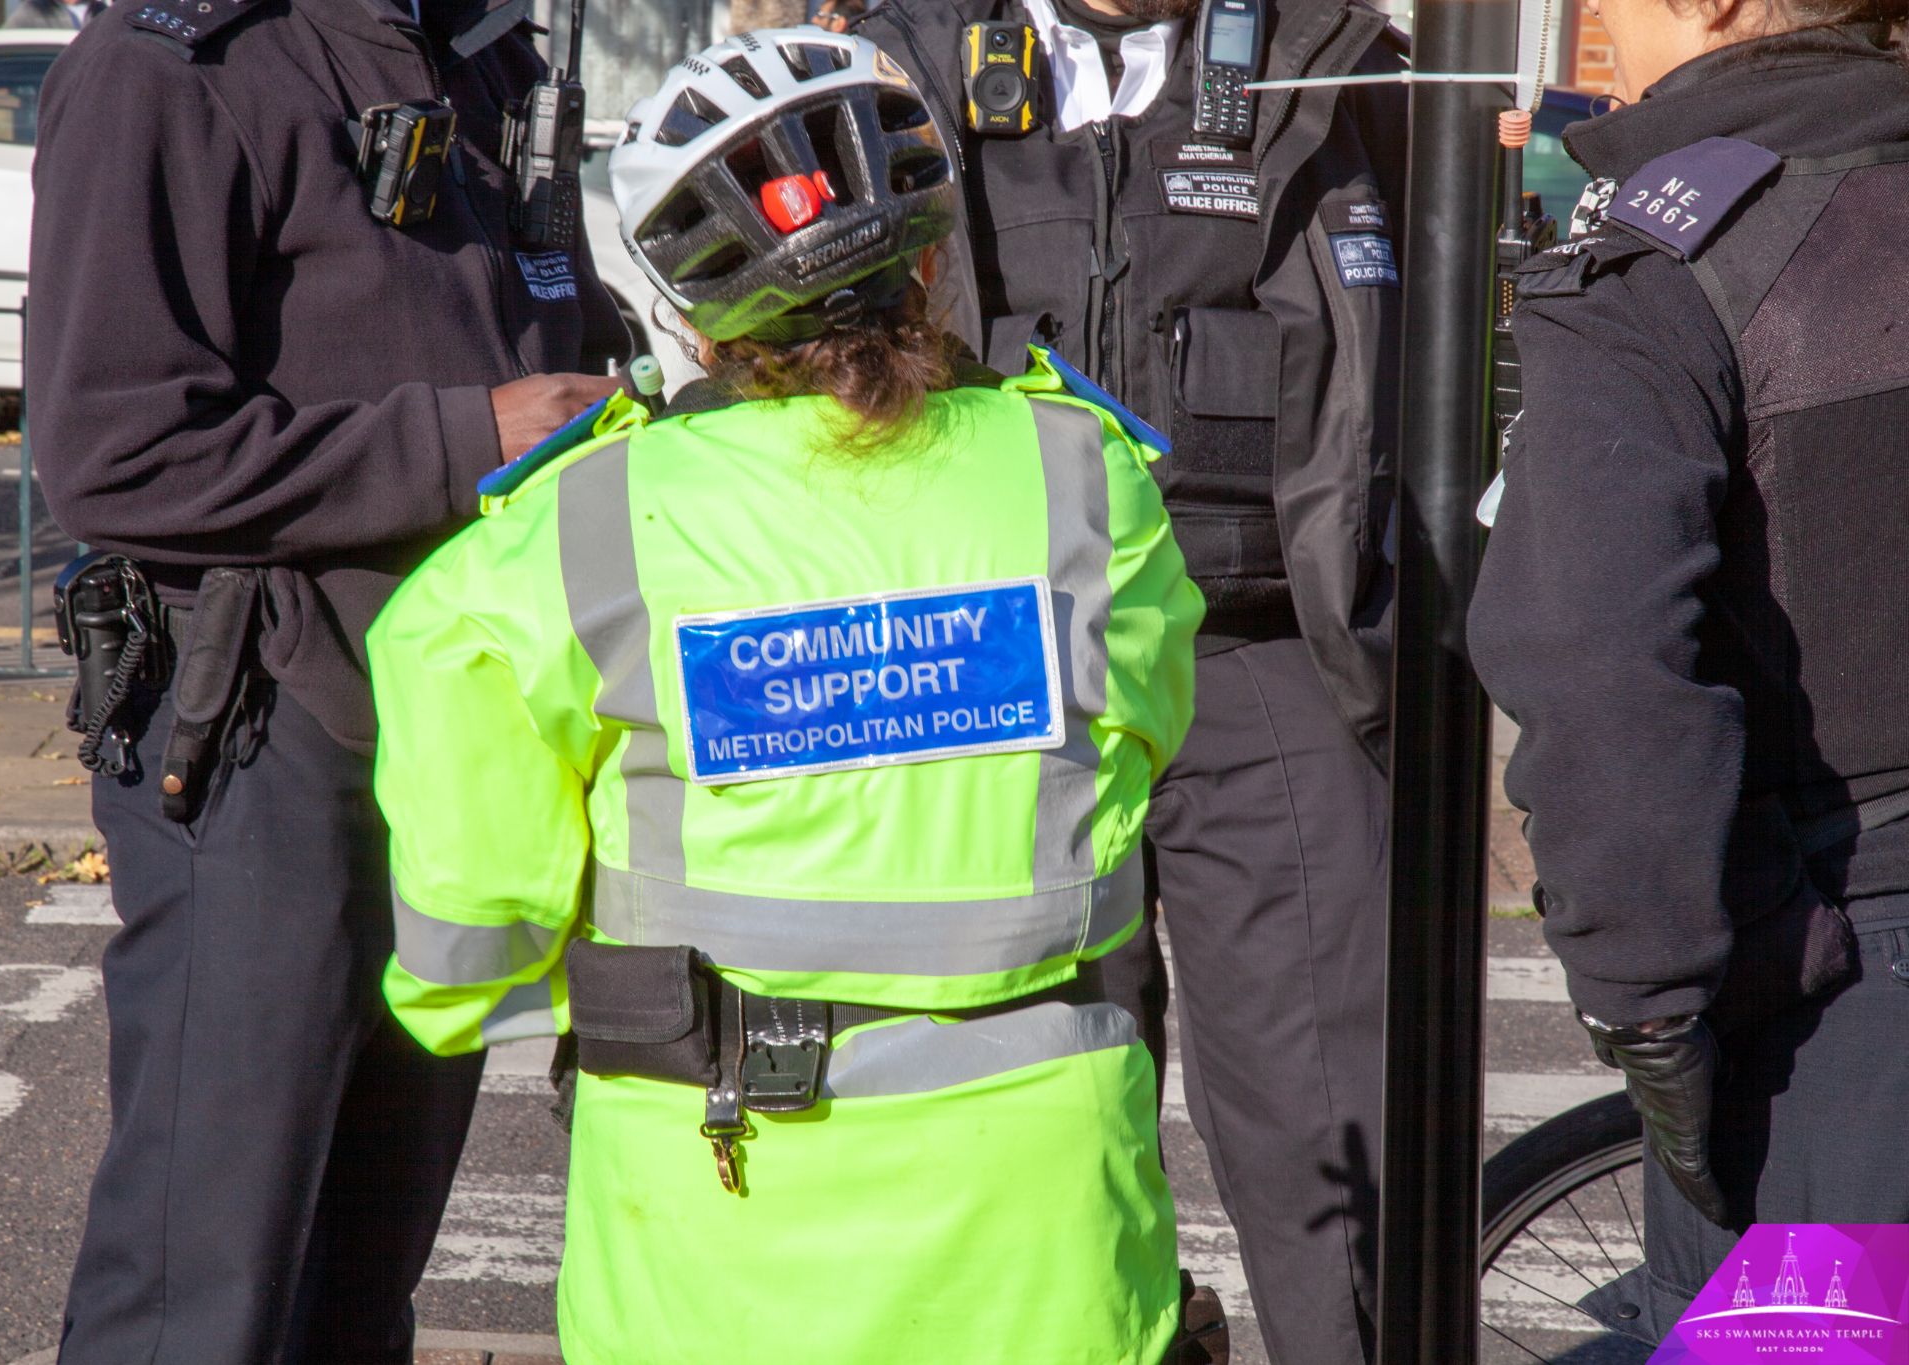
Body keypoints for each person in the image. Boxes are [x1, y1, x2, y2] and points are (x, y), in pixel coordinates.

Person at [367, 29, 1205, 1363]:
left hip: (716, 1221)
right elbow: (1149, 734)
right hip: (1044, 1235)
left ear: (690, 318)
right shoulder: (1084, 478)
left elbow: (465, 954)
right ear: (928, 265)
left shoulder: (574, 529)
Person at [25, 0, 628, 1355]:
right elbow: (114, 452)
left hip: (460, 735)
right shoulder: (166, 71)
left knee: (360, 1280)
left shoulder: (480, 50)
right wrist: (465, 439)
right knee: (204, 1281)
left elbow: (537, 329)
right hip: (268, 723)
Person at [855, 2, 1407, 1360]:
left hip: (1262, 640)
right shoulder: (897, 56)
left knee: (1331, 1119)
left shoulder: (1334, 64)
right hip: (989, 667)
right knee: (1021, 1125)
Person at [1470, 0, 1909, 1340]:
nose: (1594, 16)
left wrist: (1651, 1019)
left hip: (1839, 967)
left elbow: (1602, 675)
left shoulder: (1670, 265)